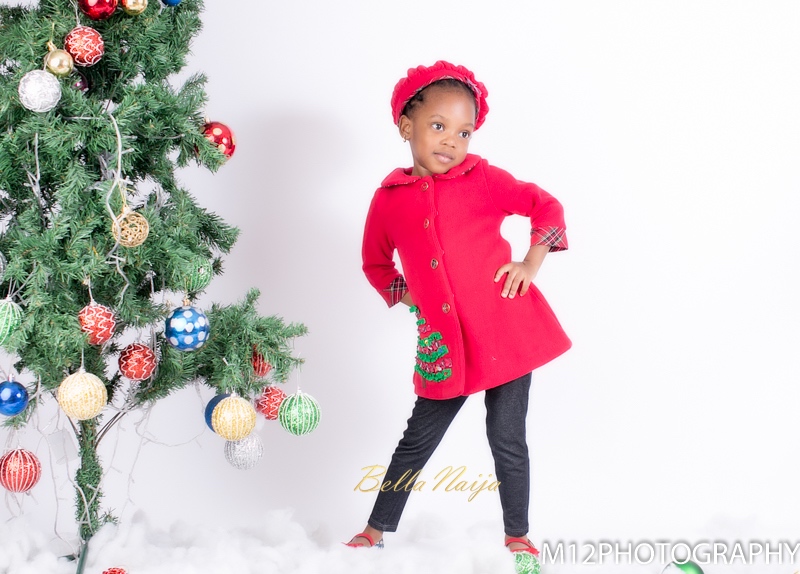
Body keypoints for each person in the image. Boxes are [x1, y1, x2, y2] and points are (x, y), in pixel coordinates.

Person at [347, 61, 571, 561]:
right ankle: (375, 528)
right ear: (406, 126)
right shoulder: (388, 200)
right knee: (417, 439)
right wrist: (412, 297)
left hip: (507, 332)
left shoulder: (483, 178)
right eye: (438, 125)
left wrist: (530, 263)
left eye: (463, 132)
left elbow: (546, 206)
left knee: (507, 438)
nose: (451, 140)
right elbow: (375, 263)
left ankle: (518, 535)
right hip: (445, 345)